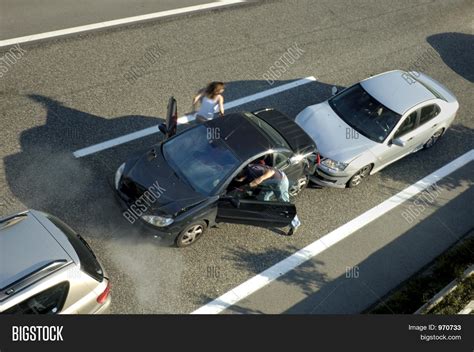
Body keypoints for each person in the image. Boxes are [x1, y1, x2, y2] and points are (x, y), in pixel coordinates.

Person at [236, 160, 301, 236]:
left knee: (284, 203)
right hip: (270, 183)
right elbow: (242, 178)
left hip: (280, 181)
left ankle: (295, 223)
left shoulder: (254, 169)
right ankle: (267, 216)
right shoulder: (248, 169)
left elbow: (271, 172)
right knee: (262, 198)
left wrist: (257, 181)